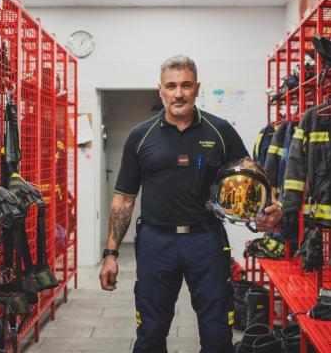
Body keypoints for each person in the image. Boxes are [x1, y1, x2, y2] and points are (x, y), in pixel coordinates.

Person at [99, 55, 282, 353]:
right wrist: (110, 254)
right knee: (150, 332)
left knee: (217, 332)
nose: (178, 93)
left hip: (206, 240)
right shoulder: (140, 136)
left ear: (197, 88)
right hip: (156, 242)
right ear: (160, 89)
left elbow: (253, 173)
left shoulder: (220, 131)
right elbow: (124, 198)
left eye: (186, 85)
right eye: (171, 86)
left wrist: (273, 205)